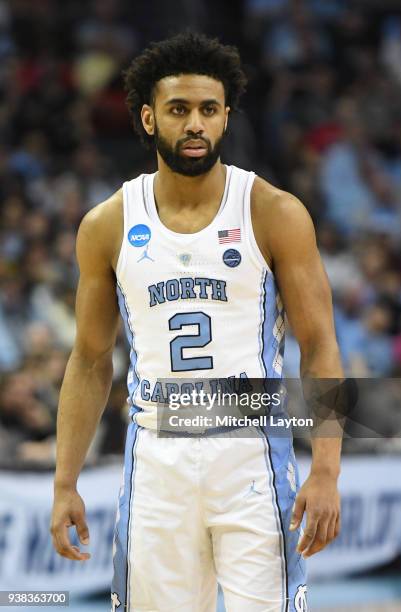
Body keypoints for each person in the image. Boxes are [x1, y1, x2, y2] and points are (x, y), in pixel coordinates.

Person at [51, 32, 343, 612]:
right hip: (157, 459)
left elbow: (320, 346)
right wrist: (64, 483)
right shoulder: (107, 224)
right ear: (147, 117)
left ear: (226, 118)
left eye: (209, 110)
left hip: (252, 455)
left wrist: (327, 470)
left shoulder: (274, 212)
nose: (195, 124)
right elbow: (88, 360)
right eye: (178, 109)